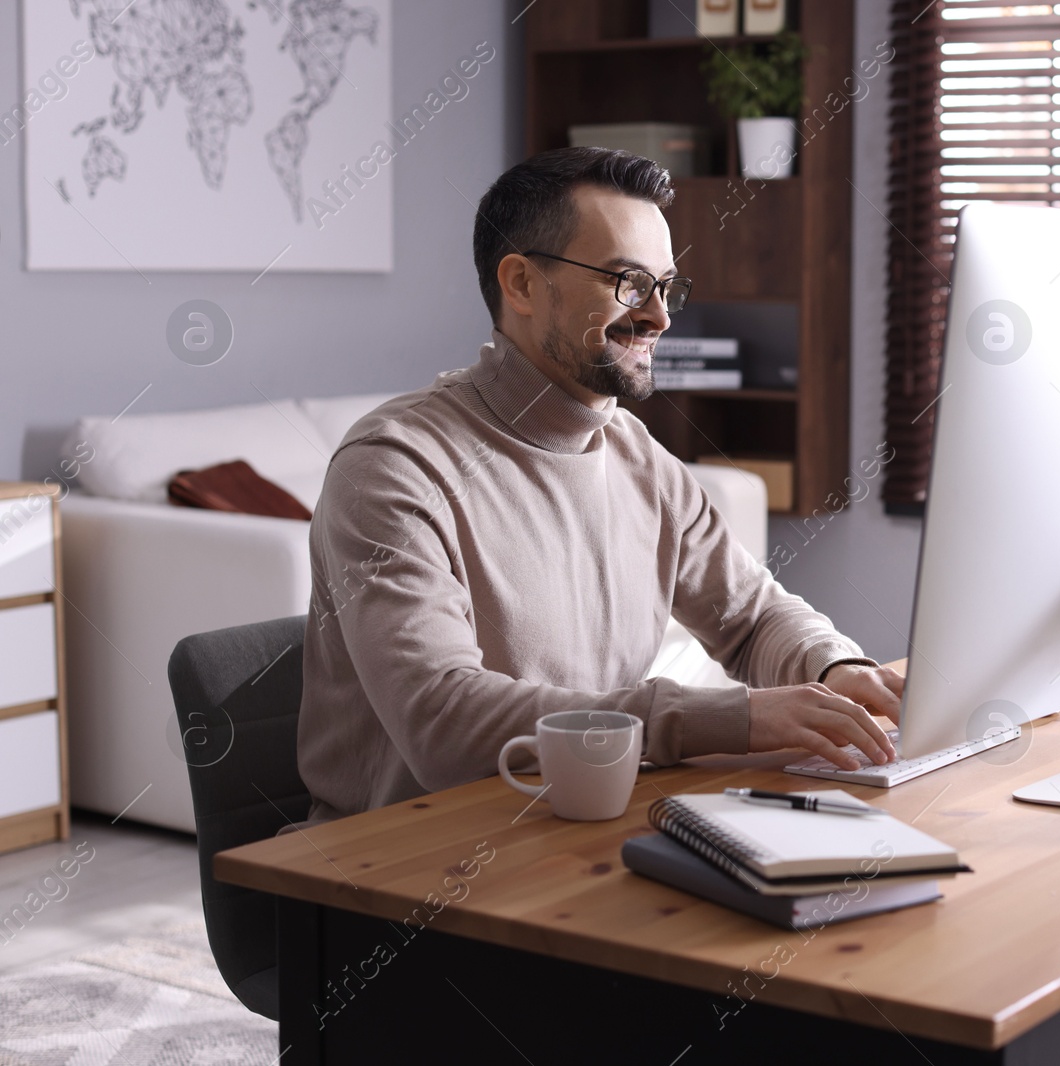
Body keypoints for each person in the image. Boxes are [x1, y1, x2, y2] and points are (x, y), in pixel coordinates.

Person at [296, 147, 904, 822]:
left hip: (584, 830)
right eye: (628, 282)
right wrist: (730, 718)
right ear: (522, 284)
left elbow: (752, 617)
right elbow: (443, 723)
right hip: (401, 873)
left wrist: (836, 671)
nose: (660, 318)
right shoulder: (392, 467)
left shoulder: (636, 457)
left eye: (667, 287)